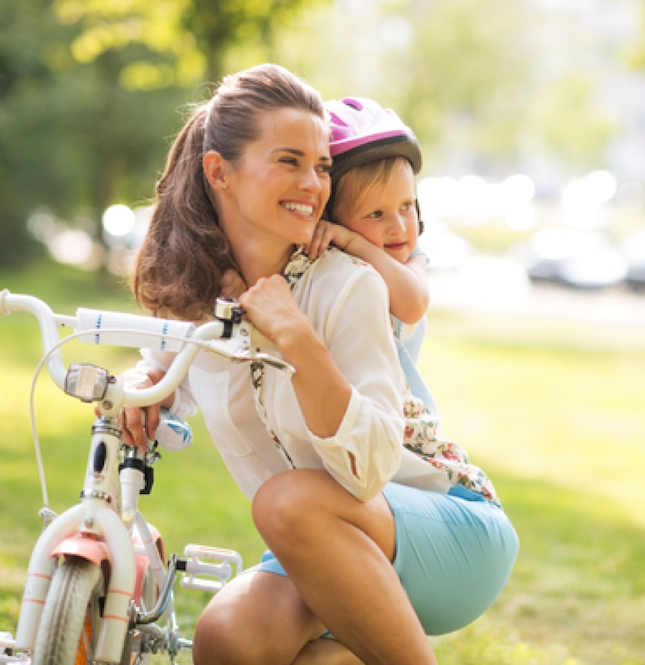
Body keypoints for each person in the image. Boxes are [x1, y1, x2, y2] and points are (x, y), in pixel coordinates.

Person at [121, 63, 519, 665]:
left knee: (286, 500)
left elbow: (370, 471)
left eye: (323, 166)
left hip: (442, 530)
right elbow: (159, 373)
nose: (313, 183)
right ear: (218, 171)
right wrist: (140, 386)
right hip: (315, 545)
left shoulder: (348, 284)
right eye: (290, 161)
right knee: (229, 636)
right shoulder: (198, 298)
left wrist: (297, 338)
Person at [306, 97, 441, 423]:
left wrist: (354, 241)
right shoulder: (328, 268)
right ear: (331, 217)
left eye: (406, 206)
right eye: (376, 213)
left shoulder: (413, 260)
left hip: (400, 427)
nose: (397, 226)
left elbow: (411, 304)